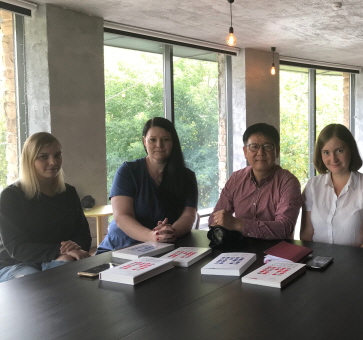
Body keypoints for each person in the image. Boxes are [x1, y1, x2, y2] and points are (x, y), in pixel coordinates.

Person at [0, 132, 92, 282]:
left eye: (57, 155)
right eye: (43, 157)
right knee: (37, 283)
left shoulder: (68, 192)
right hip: (16, 264)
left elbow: (83, 235)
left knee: (68, 268)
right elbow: (16, 247)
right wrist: (59, 251)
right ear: (29, 160)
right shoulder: (11, 196)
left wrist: (74, 248)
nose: (53, 162)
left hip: (58, 257)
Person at [97, 117, 198, 253]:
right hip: (121, 248)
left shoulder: (187, 177)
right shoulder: (128, 171)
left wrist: (170, 232)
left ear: (173, 142)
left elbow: (188, 216)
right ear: (144, 141)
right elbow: (122, 217)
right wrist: (152, 236)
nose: (159, 145)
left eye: (165, 139)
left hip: (164, 247)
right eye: (153, 140)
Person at [209, 122, 302, 239]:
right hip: (239, 246)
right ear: (245, 152)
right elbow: (215, 218)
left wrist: (237, 224)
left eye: (267, 146)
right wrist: (219, 222)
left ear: (277, 151)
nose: (260, 152)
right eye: (254, 147)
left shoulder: (288, 182)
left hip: (276, 249)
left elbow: (284, 228)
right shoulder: (236, 178)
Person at [300, 124, 363, 248]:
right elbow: (306, 234)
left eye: (339, 151)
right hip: (316, 258)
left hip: (356, 258)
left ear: (351, 150)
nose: (333, 158)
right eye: (326, 152)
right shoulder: (313, 186)